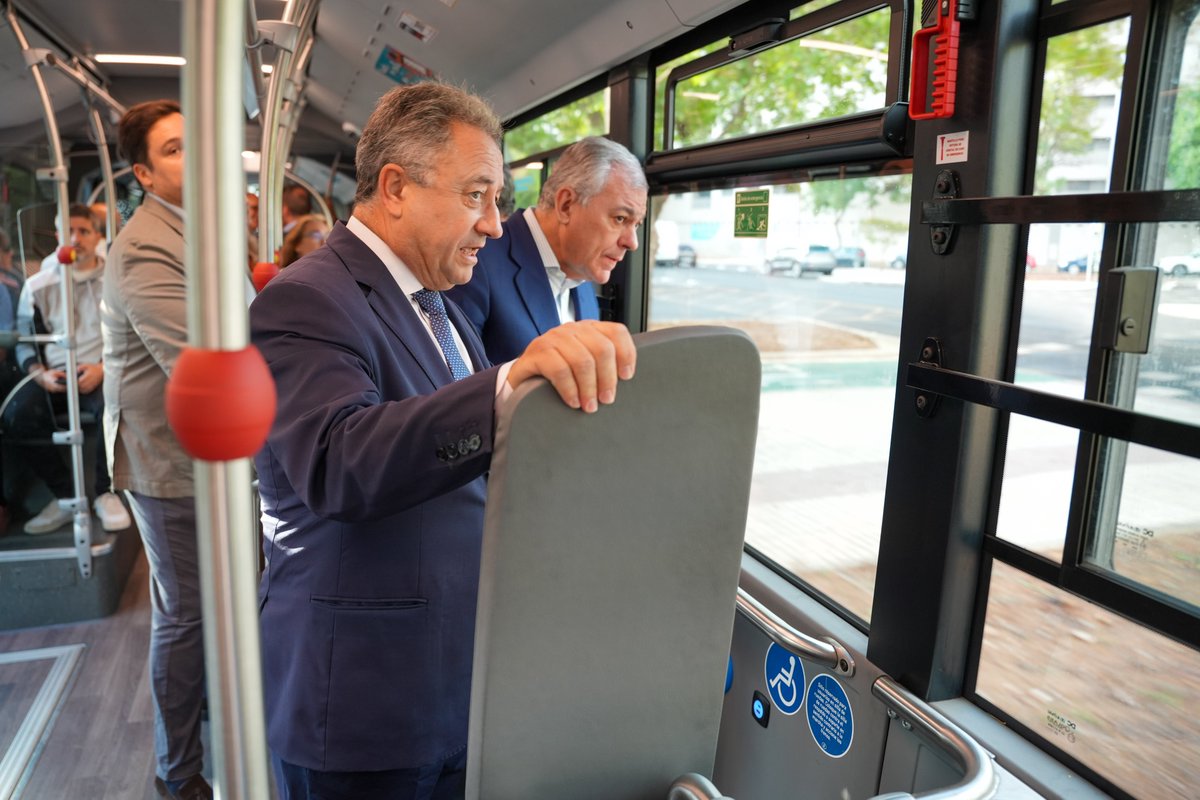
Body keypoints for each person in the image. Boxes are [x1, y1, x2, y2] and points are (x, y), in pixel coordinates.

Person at [250, 82, 636, 800]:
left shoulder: (438, 305)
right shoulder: (307, 299)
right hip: (364, 697)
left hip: (449, 680)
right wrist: (508, 385)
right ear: (395, 188)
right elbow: (338, 462)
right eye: (476, 196)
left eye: (498, 199)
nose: (494, 224)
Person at [100, 99, 212, 800]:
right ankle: (179, 772)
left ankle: (216, 713)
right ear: (143, 174)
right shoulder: (145, 246)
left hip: (206, 452)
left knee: (207, 604)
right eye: (174, 149)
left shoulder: (196, 228)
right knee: (185, 613)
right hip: (166, 456)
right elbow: (200, 363)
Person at [446, 135, 647, 364]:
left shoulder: (582, 275)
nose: (632, 242)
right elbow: (455, 381)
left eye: (637, 225)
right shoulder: (476, 261)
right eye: (620, 218)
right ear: (566, 205)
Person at [9, 204, 131, 535]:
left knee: (114, 405)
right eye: (68, 231)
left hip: (100, 368)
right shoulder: (38, 285)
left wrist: (103, 368)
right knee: (17, 416)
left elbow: (129, 335)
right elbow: (26, 340)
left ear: (97, 237)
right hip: (55, 373)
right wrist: (40, 373)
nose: (74, 239)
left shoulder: (115, 281)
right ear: (57, 235)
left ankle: (105, 492)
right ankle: (64, 497)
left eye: (83, 231)